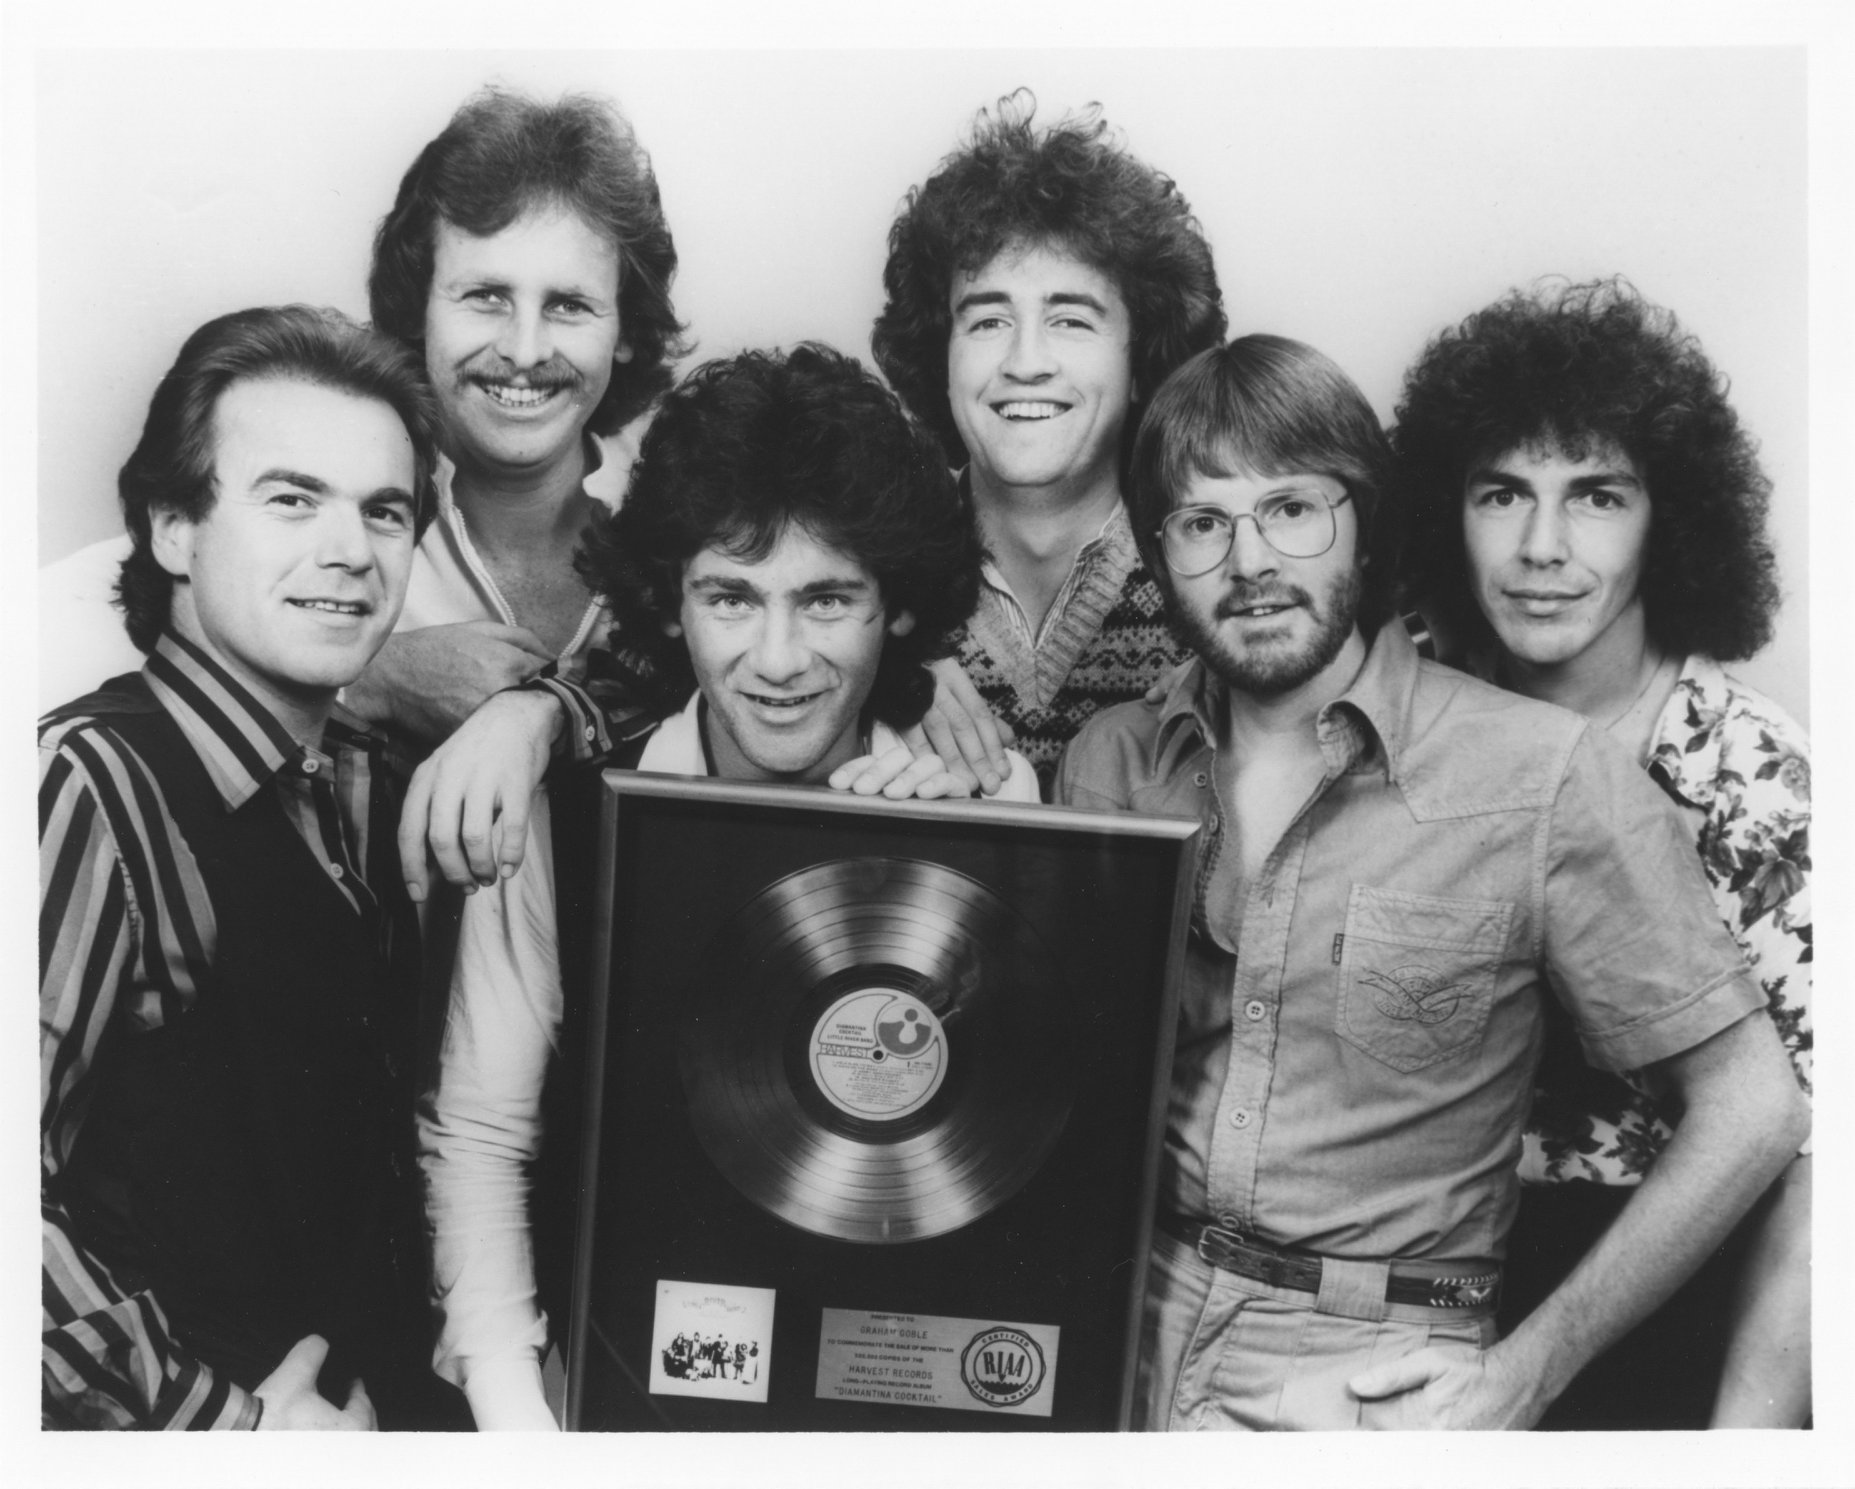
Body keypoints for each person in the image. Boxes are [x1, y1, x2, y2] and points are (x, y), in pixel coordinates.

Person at [1053, 334, 1808, 1430]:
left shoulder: (1545, 775)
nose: (1248, 561)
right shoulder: (1109, 760)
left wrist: (1527, 1371)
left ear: (1365, 524)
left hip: (1366, 1374)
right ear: (1157, 552)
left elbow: (1754, 1107)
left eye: (1293, 510)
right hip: (1114, 1323)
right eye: (1202, 523)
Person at [419, 344, 1039, 1430]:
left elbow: (1022, 1139)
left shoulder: (989, 800)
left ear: (895, 607)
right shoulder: (566, 813)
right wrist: (519, 1424)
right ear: (670, 605)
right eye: (732, 598)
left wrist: (952, 874)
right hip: (616, 1394)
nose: (781, 656)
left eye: (828, 597)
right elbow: (480, 1132)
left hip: (899, 1392)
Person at [1392, 278, 1812, 1428]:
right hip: (1402, 1283)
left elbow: (1818, 1163)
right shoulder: (1398, 691)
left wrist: (1742, 1443)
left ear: (1664, 520)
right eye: (1501, 494)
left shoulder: (1754, 779)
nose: (1541, 546)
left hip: (1657, 1297)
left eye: (1594, 496)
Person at [40, 305, 461, 1429]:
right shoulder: (91, 784)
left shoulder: (370, 783)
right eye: (291, 499)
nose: (348, 549)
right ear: (173, 528)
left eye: (384, 510)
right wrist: (216, 1424)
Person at [38, 85, 684, 770]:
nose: (525, 351)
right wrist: (366, 676)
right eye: (486, 296)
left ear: (623, 329)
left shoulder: (685, 518)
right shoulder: (333, 507)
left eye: (569, 304)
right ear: (420, 311)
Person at [871, 90, 1226, 797]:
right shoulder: (865, 581)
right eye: (986, 321)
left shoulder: (1216, 569)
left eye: (1070, 320)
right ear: (939, 357)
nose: (1025, 361)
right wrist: (871, 671)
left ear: (1138, 363)